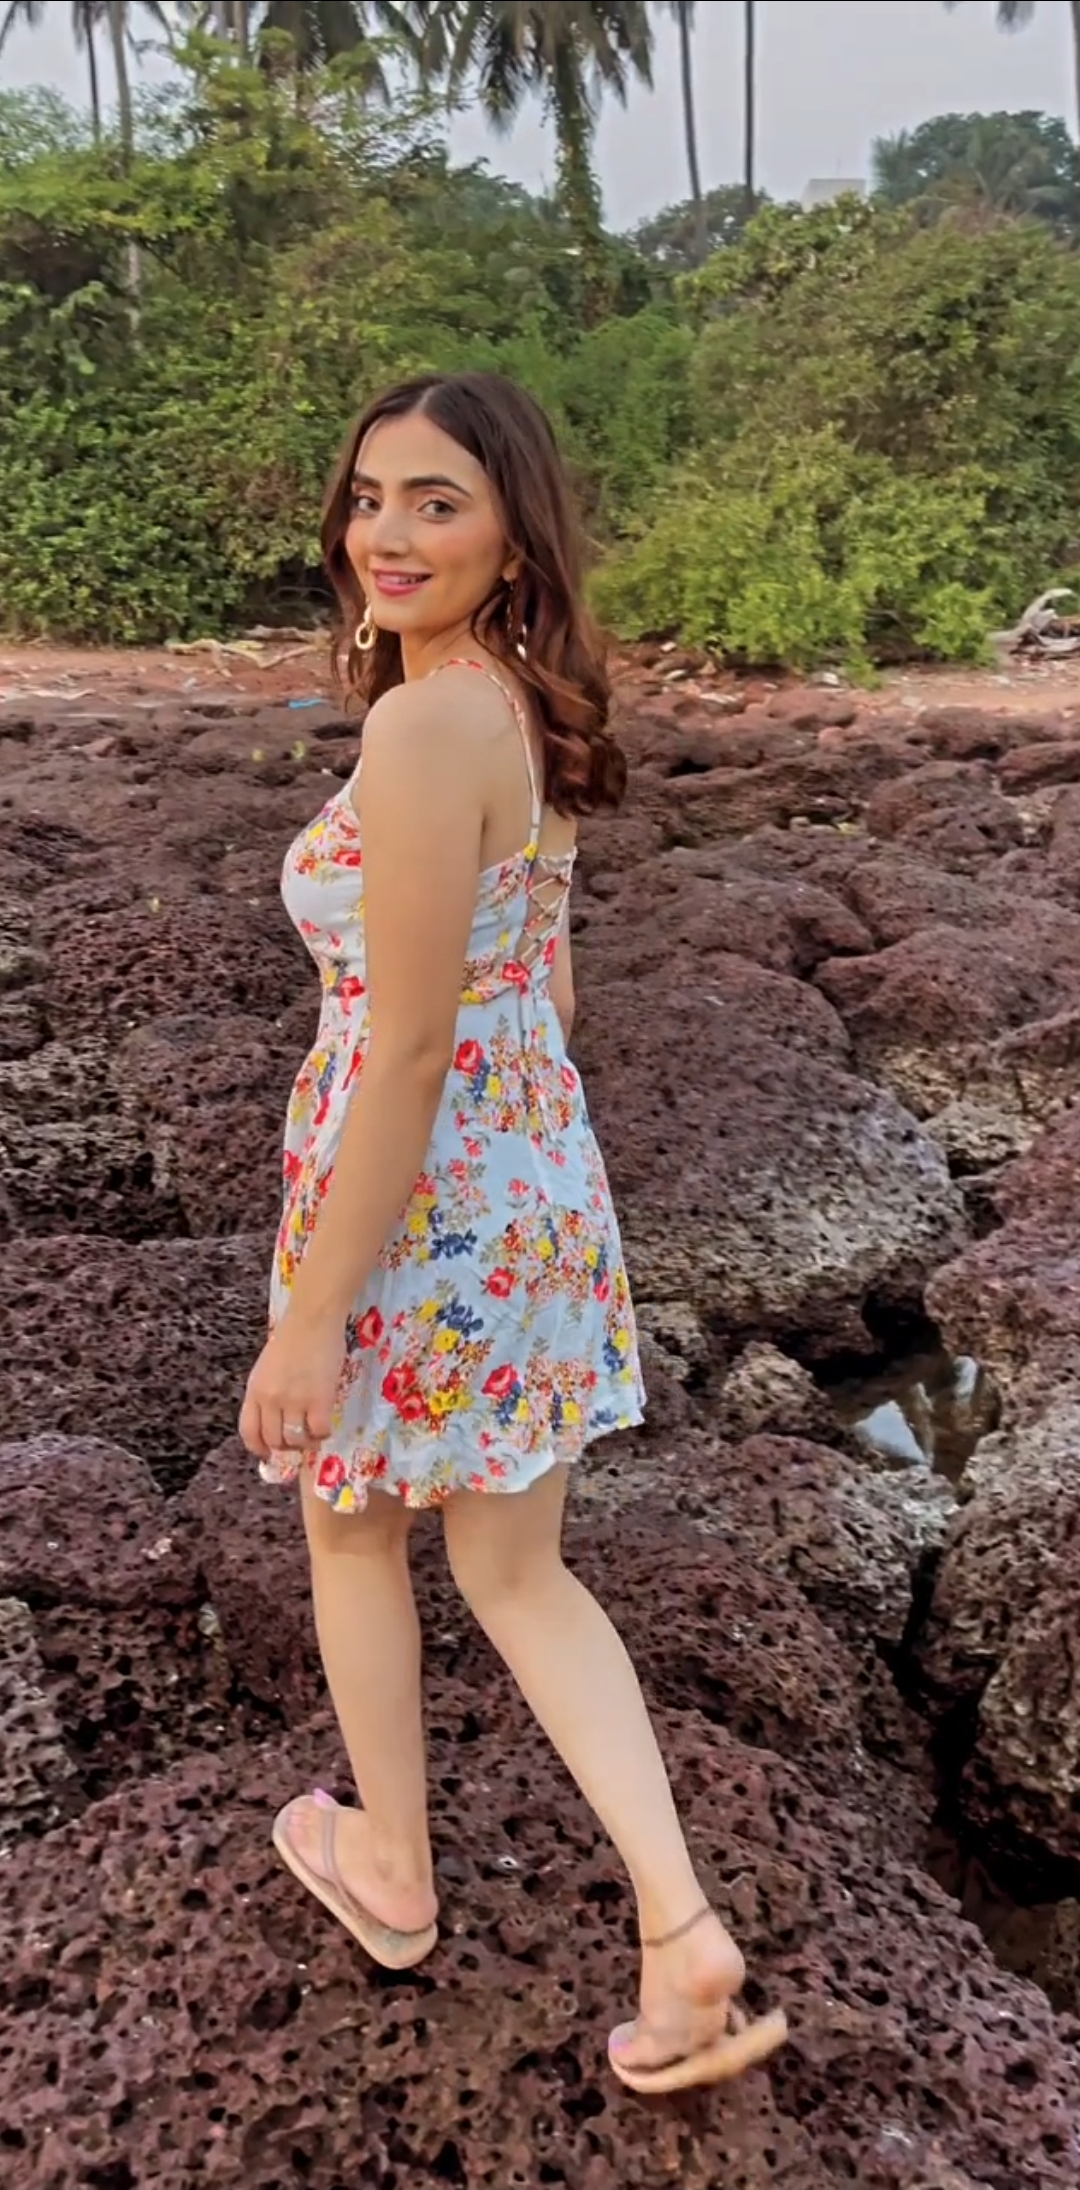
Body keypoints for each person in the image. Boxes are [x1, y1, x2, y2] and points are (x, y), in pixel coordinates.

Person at [239, 370, 787, 2096]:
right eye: (369, 497)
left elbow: (408, 1045)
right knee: (517, 1568)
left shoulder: (423, 729)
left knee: (352, 1530)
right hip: (528, 1183)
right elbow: (540, 988)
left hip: (415, 1189)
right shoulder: (517, 711)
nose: (385, 535)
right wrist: (509, 1166)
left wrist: (313, 1312)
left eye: (437, 501)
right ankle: (680, 1931)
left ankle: (393, 1866)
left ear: (514, 530)